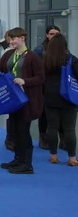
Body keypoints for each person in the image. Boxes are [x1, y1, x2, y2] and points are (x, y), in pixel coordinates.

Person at [0, 27, 44, 174]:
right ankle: (18, 159)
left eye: (14, 39)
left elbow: (40, 77)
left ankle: (27, 164)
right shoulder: (9, 54)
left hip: (27, 100)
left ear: (22, 38)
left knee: (24, 132)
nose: (11, 41)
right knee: (14, 130)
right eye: (10, 39)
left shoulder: (32, 57)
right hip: (12, 99)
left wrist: (25, 81)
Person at [42, 34, 78, 166]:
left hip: (50, 97)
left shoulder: (45, 60)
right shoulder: (71, 59)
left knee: (52, 127)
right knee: (69, 129)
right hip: (69, 97)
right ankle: (72, 158)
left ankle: (53, 155)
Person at [34, 25, 63, 150]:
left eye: (57, 33)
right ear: (47, 35)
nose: (54, 36)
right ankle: (43, 138)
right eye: (51, 33)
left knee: (61, 113)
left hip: (59, 86)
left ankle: (63, 139)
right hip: (44, 86)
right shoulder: (40, 50)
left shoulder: (64, 50)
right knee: (44, 113)